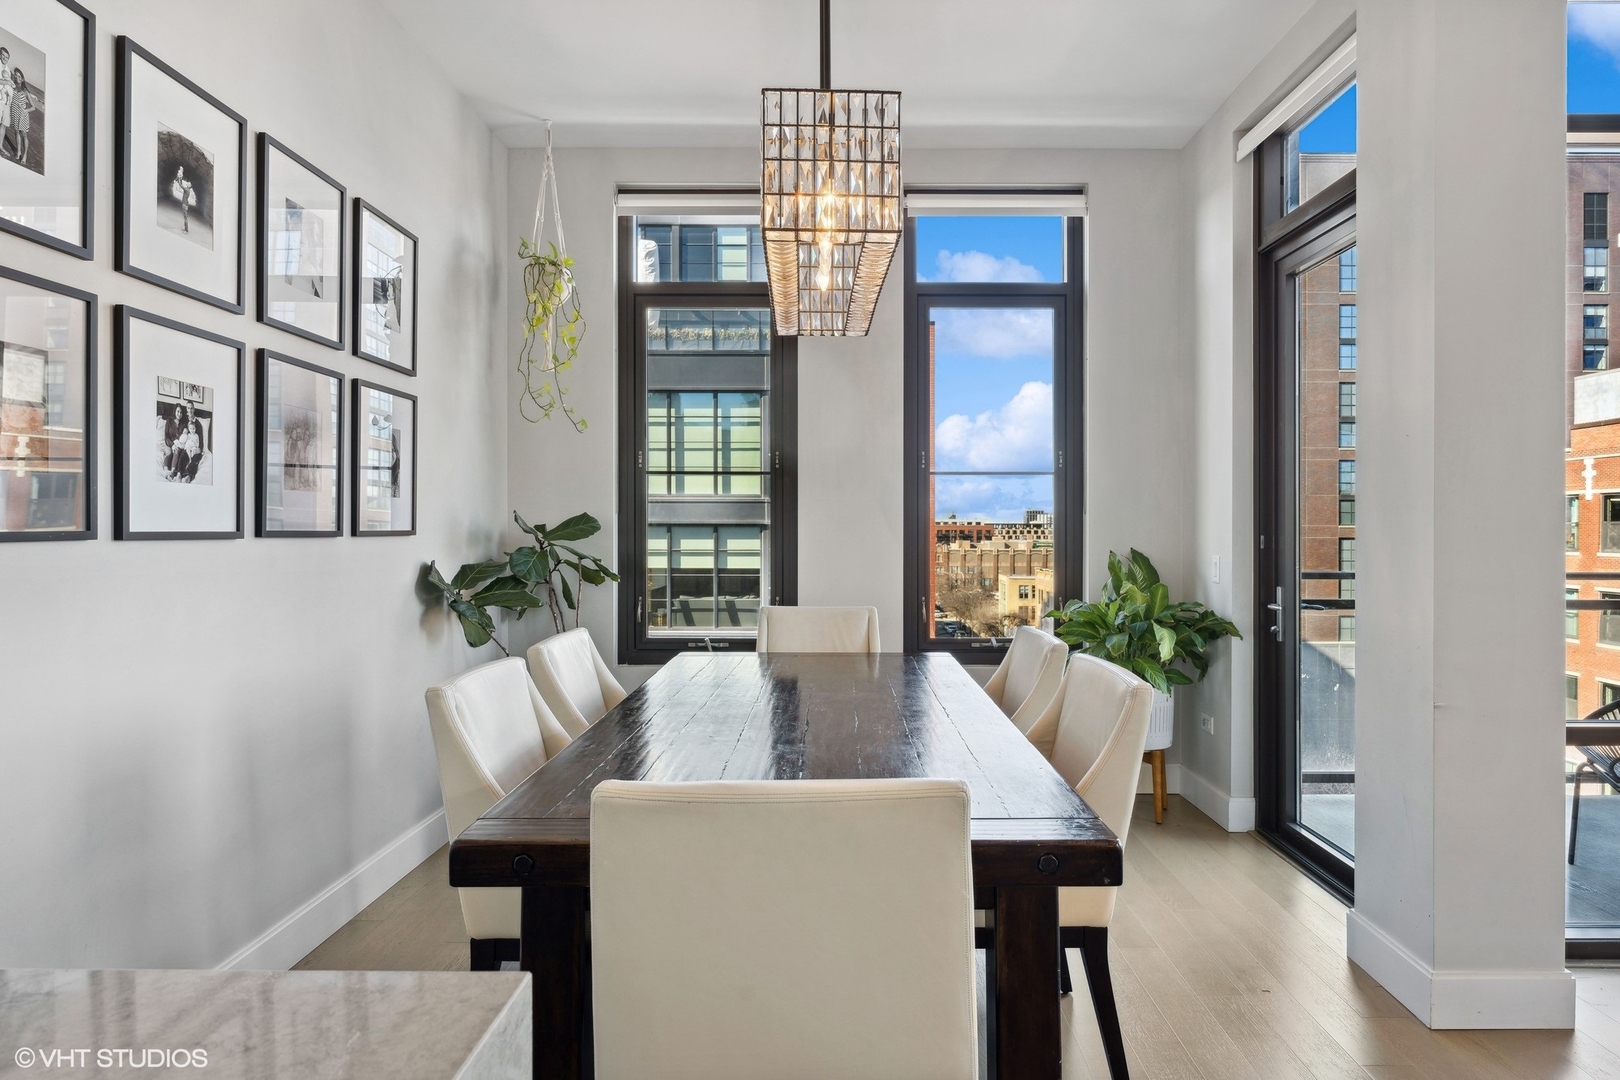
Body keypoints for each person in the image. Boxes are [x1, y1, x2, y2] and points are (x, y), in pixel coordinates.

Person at [8, 68, 35, 167]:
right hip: (14, 114)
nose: (17, 77)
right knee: (16, 132)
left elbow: (33, 107)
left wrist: (25, 110)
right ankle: (19, 151)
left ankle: (25, 155)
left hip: (23, 116)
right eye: (16, 75)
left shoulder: (25, 91)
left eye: (19, 76)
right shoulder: (13, 87)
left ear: (23, 79)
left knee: (24, 135)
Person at [171, 167, 196, 233]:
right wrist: (180, 177)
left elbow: (180, 185)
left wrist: (179, 177)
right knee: (185, 217)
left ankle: (186, 230)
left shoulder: (187, 190)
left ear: (189, 186)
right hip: (185, 204)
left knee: (185, 218)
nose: (187, 183)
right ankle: (185, 229)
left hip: (184, 205)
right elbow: (181, 184)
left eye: (188, 183)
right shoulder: (187, 190)